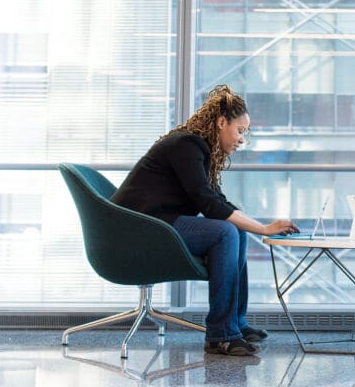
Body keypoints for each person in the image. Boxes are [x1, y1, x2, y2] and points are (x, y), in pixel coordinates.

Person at [112, 84, 300, 356]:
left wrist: (259, 226)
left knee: (235, 230)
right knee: (226, 232)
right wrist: (262, 229)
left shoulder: (197, 149)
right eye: (239, 131)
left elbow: (216, 200)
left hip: (158, 224)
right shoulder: (187, 145)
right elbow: (208, 205)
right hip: (139, 228)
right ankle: (221, 335)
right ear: (221, 122)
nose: (241, 140)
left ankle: (235, 324)